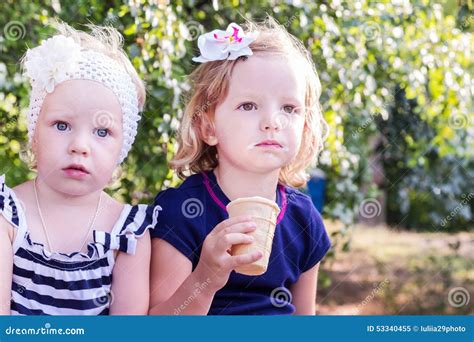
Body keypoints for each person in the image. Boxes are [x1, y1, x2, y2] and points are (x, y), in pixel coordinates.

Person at [149, 17, 331, 315]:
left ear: (306, 126)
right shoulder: (181, 210)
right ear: (208, 126)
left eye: (289, 108)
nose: (273, 121)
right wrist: (206, 278)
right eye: (248, 106)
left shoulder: (304, 219)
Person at [0, 23, 159, 315]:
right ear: (34, 134)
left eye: (102, 132)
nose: (80, 145)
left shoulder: (128, 232)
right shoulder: (7, 214)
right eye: (62, 126)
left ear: (122, 147)